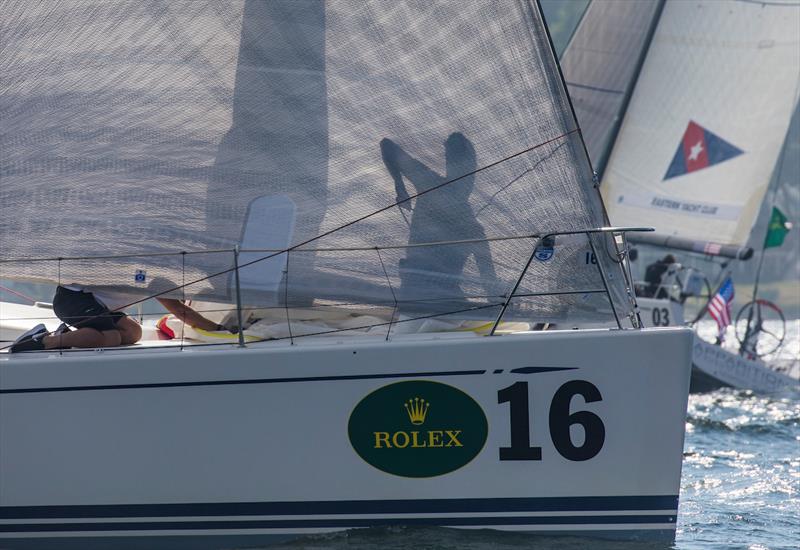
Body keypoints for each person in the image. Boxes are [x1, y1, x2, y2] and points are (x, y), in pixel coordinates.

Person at [9, 285, 224, 353]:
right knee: (110, 337)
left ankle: (67, 335)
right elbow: (180, 311)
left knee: (134, 332)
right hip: (75, 299)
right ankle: (42, 341)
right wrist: (218, 328)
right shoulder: (159, 280)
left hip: (95, 303)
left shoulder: (161, 274)